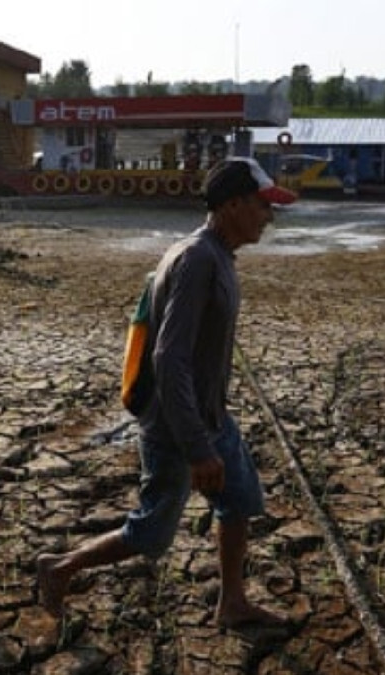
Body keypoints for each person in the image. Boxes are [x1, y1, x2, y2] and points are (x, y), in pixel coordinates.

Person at [36, 156, 297, 628]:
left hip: (209, 415)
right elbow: (168, 358)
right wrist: (197, 448)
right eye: (262, 205)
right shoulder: (198, 259)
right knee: (152, 532)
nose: (269, 216)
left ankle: (232, 602)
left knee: (240, 499)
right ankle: (59, 568)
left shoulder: (215, 254)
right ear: (233, 204)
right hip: (179, 426)